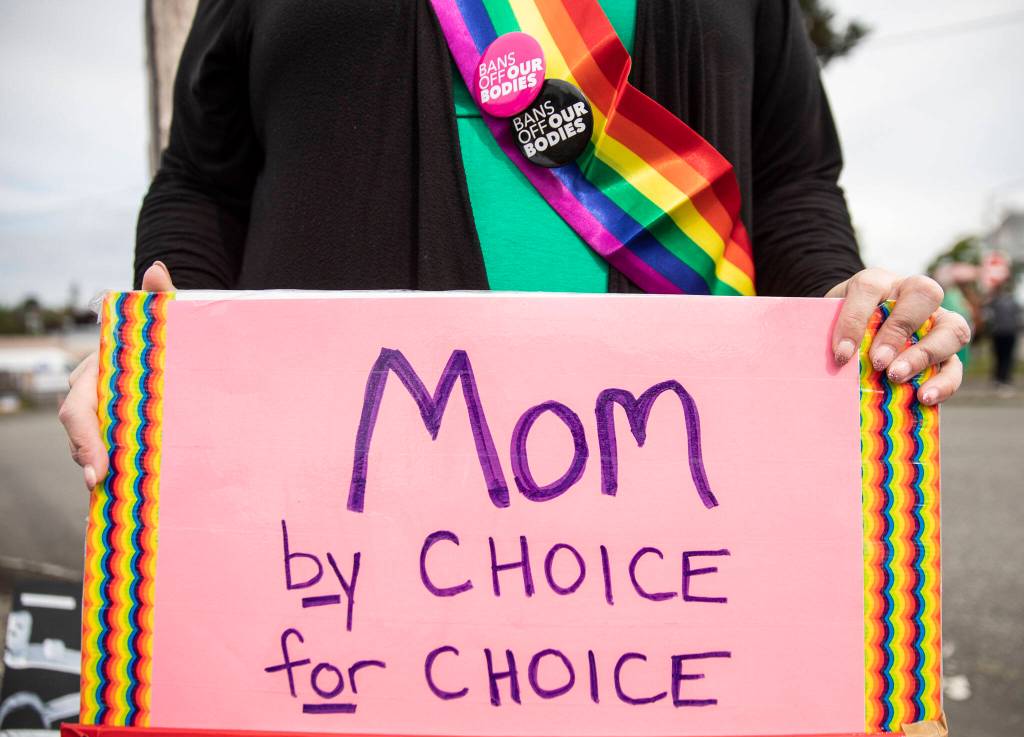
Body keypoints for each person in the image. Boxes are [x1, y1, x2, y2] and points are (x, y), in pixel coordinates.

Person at [59, 0, 970, 490]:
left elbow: (792, 178)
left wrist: (847, 301)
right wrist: (151, 347)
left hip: (677, 513)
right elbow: (203, 183)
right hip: (329, 513)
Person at [985, 285, 1021, 393]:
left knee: (998, 356)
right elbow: (1019, 318)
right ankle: (1005, 379)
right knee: (1008, 357)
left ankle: (998, 378)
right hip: (1010, 333)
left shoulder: (994, 302)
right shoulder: (1014, 303)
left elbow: (988, 317)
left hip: (998, 333)